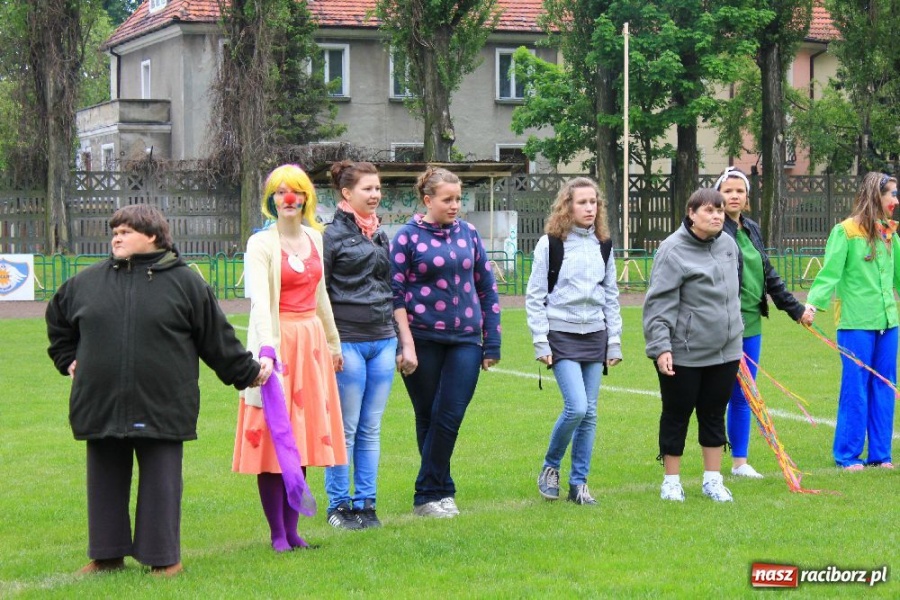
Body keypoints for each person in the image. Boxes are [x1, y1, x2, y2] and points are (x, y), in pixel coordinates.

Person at [46, 204, 266, 576]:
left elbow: (216, 338)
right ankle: (107, 555)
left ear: (152, 236)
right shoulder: (85, 282)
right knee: (104, 480)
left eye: (126, 231)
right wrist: (67, 358)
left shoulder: (186, 282)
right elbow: (58, 322)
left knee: (161, 482)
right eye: (114, 231)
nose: (116, 237)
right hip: (101, 401)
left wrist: (247, 372)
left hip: (164, 400)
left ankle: (164, 559)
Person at [233, 164, 346, 551]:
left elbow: (321, 296)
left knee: (303, 438)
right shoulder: (260, 244)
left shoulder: (316, 238)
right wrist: (267, 351)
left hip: (310, 344)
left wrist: (333, 344)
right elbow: (260, 302)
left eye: (294, 191)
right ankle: (278, 534)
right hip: (277, 344)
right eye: (280, 192)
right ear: (271, 200)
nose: (288, 198)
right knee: (273, 442)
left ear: (306, 198)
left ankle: (294, 530)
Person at [390, 166, 502, 518]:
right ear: (428, 200)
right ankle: (438, 494)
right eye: (447, 199)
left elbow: (487, 288)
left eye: (458, 199)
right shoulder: (406, 238)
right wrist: (404, 342)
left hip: (466, 340)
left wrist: (492, 340)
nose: (455, 205)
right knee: (429, 415)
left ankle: (429, 492)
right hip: (422, 339)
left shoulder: (469, 234)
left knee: (450, 413)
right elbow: (394, 294)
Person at [525, 177, 622, 505]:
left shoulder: (603, 244)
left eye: (594, 202)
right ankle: (550, 466)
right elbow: (535, 295)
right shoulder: (550, 243)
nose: (590, 208)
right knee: (576, 407)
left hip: (595, 334)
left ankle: (578, 484)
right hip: (561, 335)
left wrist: (615, 341)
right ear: (567, 206)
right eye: (582, 202)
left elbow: (610, 295)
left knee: (590, 413)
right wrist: (541, 341)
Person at [643, 188, 743, 503]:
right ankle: (671, 481)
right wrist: (661, 347)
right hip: (683, 352)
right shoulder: (672, 250)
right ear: (691, 213)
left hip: (725, 351)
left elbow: (734, 292)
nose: (716, 216)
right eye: (709, 210)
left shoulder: (729, 244)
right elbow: (659, 303)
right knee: (677, 413)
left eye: (720, 210)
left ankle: (713, 479)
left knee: (714, 413)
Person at [717, 167, 814, 478]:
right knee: (714, 395)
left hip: (751, 324)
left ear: (747, 198)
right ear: (718, 195)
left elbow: (769, 275)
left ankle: (739, 462)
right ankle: (711, 465)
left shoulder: (752, 229)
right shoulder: (714, 230)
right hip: (721, 326)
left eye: (739, 191)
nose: (733, 196)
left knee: (746, 393)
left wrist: (796, 310)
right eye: (728, 190)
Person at [322, 161, 397, 530]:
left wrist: (400, 339)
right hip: (347, 341)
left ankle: (366, 503)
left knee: (371, 428)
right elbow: (319, 293)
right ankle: (338, 505)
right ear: (346, 193)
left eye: (378, 188)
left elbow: (390, 287)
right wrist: (330, 344)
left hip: (382, 340)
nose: (375, 195)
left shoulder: (380, 234)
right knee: (345, 427)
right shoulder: (329, 236)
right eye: (368, 189)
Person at [806, 172, 899, 471]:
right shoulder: (845, 231)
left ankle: (881, 455)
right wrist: (812, 305)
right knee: (856, 387)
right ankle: (847, 455)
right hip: (856, 321)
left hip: (889, 322)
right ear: (876, 195)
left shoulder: (891, 234)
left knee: (885, 386)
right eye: (891, 194)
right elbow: (829, 272)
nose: (896, 201)